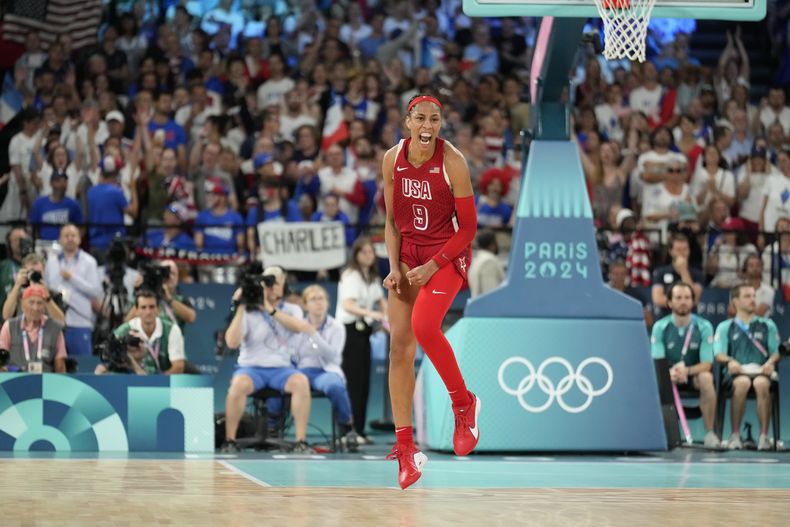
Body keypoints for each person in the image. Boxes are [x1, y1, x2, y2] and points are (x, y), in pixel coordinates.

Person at [381, 94, 479, 490]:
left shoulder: (452, 161)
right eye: (420, 118)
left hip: (446, 256)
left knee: (424, 326)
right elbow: (391, 222)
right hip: (407, 257)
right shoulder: (393, 159)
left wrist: (433, 265)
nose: (427, 125)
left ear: (440, 124)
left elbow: (468, 229)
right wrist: (393, 267)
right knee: (398, 348)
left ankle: (463, 402)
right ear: (407, 121)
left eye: (434, 119)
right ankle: (406, 450)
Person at [221, 266, 315, 453]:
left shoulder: (292, 309)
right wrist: (240, 306)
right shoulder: (248, 311)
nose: (271, 288)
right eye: (267, 283)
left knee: (301, 382)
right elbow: (231, 342)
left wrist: (268, 308)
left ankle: (300, 442)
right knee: (237, 386)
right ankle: (230, 440)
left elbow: (298, 327)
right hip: (251, 368)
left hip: (281, 369)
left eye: (275, 283)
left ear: (283, 286)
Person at [650, 282, 719, 448]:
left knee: (706, 378)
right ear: (669, 302)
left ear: (693, 302)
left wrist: (686, 371)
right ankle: (658, 434)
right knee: (653, 379)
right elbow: (657, 362)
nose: (683, 301)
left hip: (692, 375)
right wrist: (669, 373)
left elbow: (707, 364)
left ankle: (710, 433)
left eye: (687, 297)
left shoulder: (704, 326)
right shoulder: (660, 326)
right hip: (668, 377)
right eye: (678, 298)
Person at [714, 284, 781, 451]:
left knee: (761, 384)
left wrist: (770, 363)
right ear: (735, 301)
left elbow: (776, 351)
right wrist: (730, 361)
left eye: (753, 296)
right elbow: (718, 353)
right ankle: (735, 435)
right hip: (736, 374)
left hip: (762, 372)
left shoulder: (767, 325)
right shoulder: (725, 327)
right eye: (747, 296)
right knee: (742, 383)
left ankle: (764, 437)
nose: (753, 299)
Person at [292, 285, 358, 451]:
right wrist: (305, 330)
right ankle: (274, 429)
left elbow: (333, 356)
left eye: (321, 298)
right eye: (313, 299)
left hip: (326, 371)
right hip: (302, 371)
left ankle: (347, 429)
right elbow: (293, 354)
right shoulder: (296, 326)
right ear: (305, 304)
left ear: (327, 303)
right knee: (282, 382)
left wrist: (313, 334)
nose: (318, 303)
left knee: (335, 386)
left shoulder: (337, 327)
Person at [336, 237, 388, 442]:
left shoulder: (372, 277)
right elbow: (348, 305)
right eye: (364, 252)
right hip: (349, 332)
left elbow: (381, 301)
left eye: (371, 252)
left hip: (364, 332)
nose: (369, 255)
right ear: (356, 254)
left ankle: (359, 429)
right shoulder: (351, 276)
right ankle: (347, 431)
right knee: (352, 383)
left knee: (364, 383)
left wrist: (388, 318)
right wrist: (373, 314)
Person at [44, 224, 103, 356]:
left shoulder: (89, 262)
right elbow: (46, 288)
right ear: (60, 239)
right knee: (54, 368)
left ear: (79, 239)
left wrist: (72, 278)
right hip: (55, 323)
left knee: (82, 370)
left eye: (73, 235)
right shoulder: (51, 261)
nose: (70, 238)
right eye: (66, 235)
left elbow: (96, 291)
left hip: (79, 322)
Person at [98, 289, 186, 375]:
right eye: (143, 307)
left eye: (152, 307)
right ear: (136, 310)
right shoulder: (125, 330)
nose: (148, 312)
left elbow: (178, 367)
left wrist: (155, 383)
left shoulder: (172, 329)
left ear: (158, 309)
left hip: (163, 384)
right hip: (133, 379)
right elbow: (108, 357)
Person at [0, 284, 66, 373]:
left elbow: (60, 366)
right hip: (15, 381)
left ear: (44, 306)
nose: (35, 308)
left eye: (40, 303)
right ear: (22, 303)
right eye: (31, 302)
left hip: (46, 383)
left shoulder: (55, 329)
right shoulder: (9, 326)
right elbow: (1, 363)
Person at [651, 233, 704, 318]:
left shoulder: (697, 273)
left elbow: (694, 298)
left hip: (690, 320)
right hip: (665, 318)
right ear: (671, 251)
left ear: (689, 251)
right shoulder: (660, 272)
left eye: (685, 249)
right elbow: (657, 299)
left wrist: (684, 271)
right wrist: (681, 302)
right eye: (678, 249)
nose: (682, 253)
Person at [2, 253, 65, 325]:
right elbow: (6, 316)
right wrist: (17, 285)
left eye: (38, 273)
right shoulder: (18, 295)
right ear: (25, 273)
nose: (35, 276)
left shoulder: (54, 295)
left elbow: (61, 322)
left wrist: (48, 299)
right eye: (31, 272)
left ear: (44, 272)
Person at [468, 229, 505, 297]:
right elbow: (490, 294)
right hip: (488, 306)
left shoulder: (476, 261)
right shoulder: (489, 261)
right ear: (492, 244)